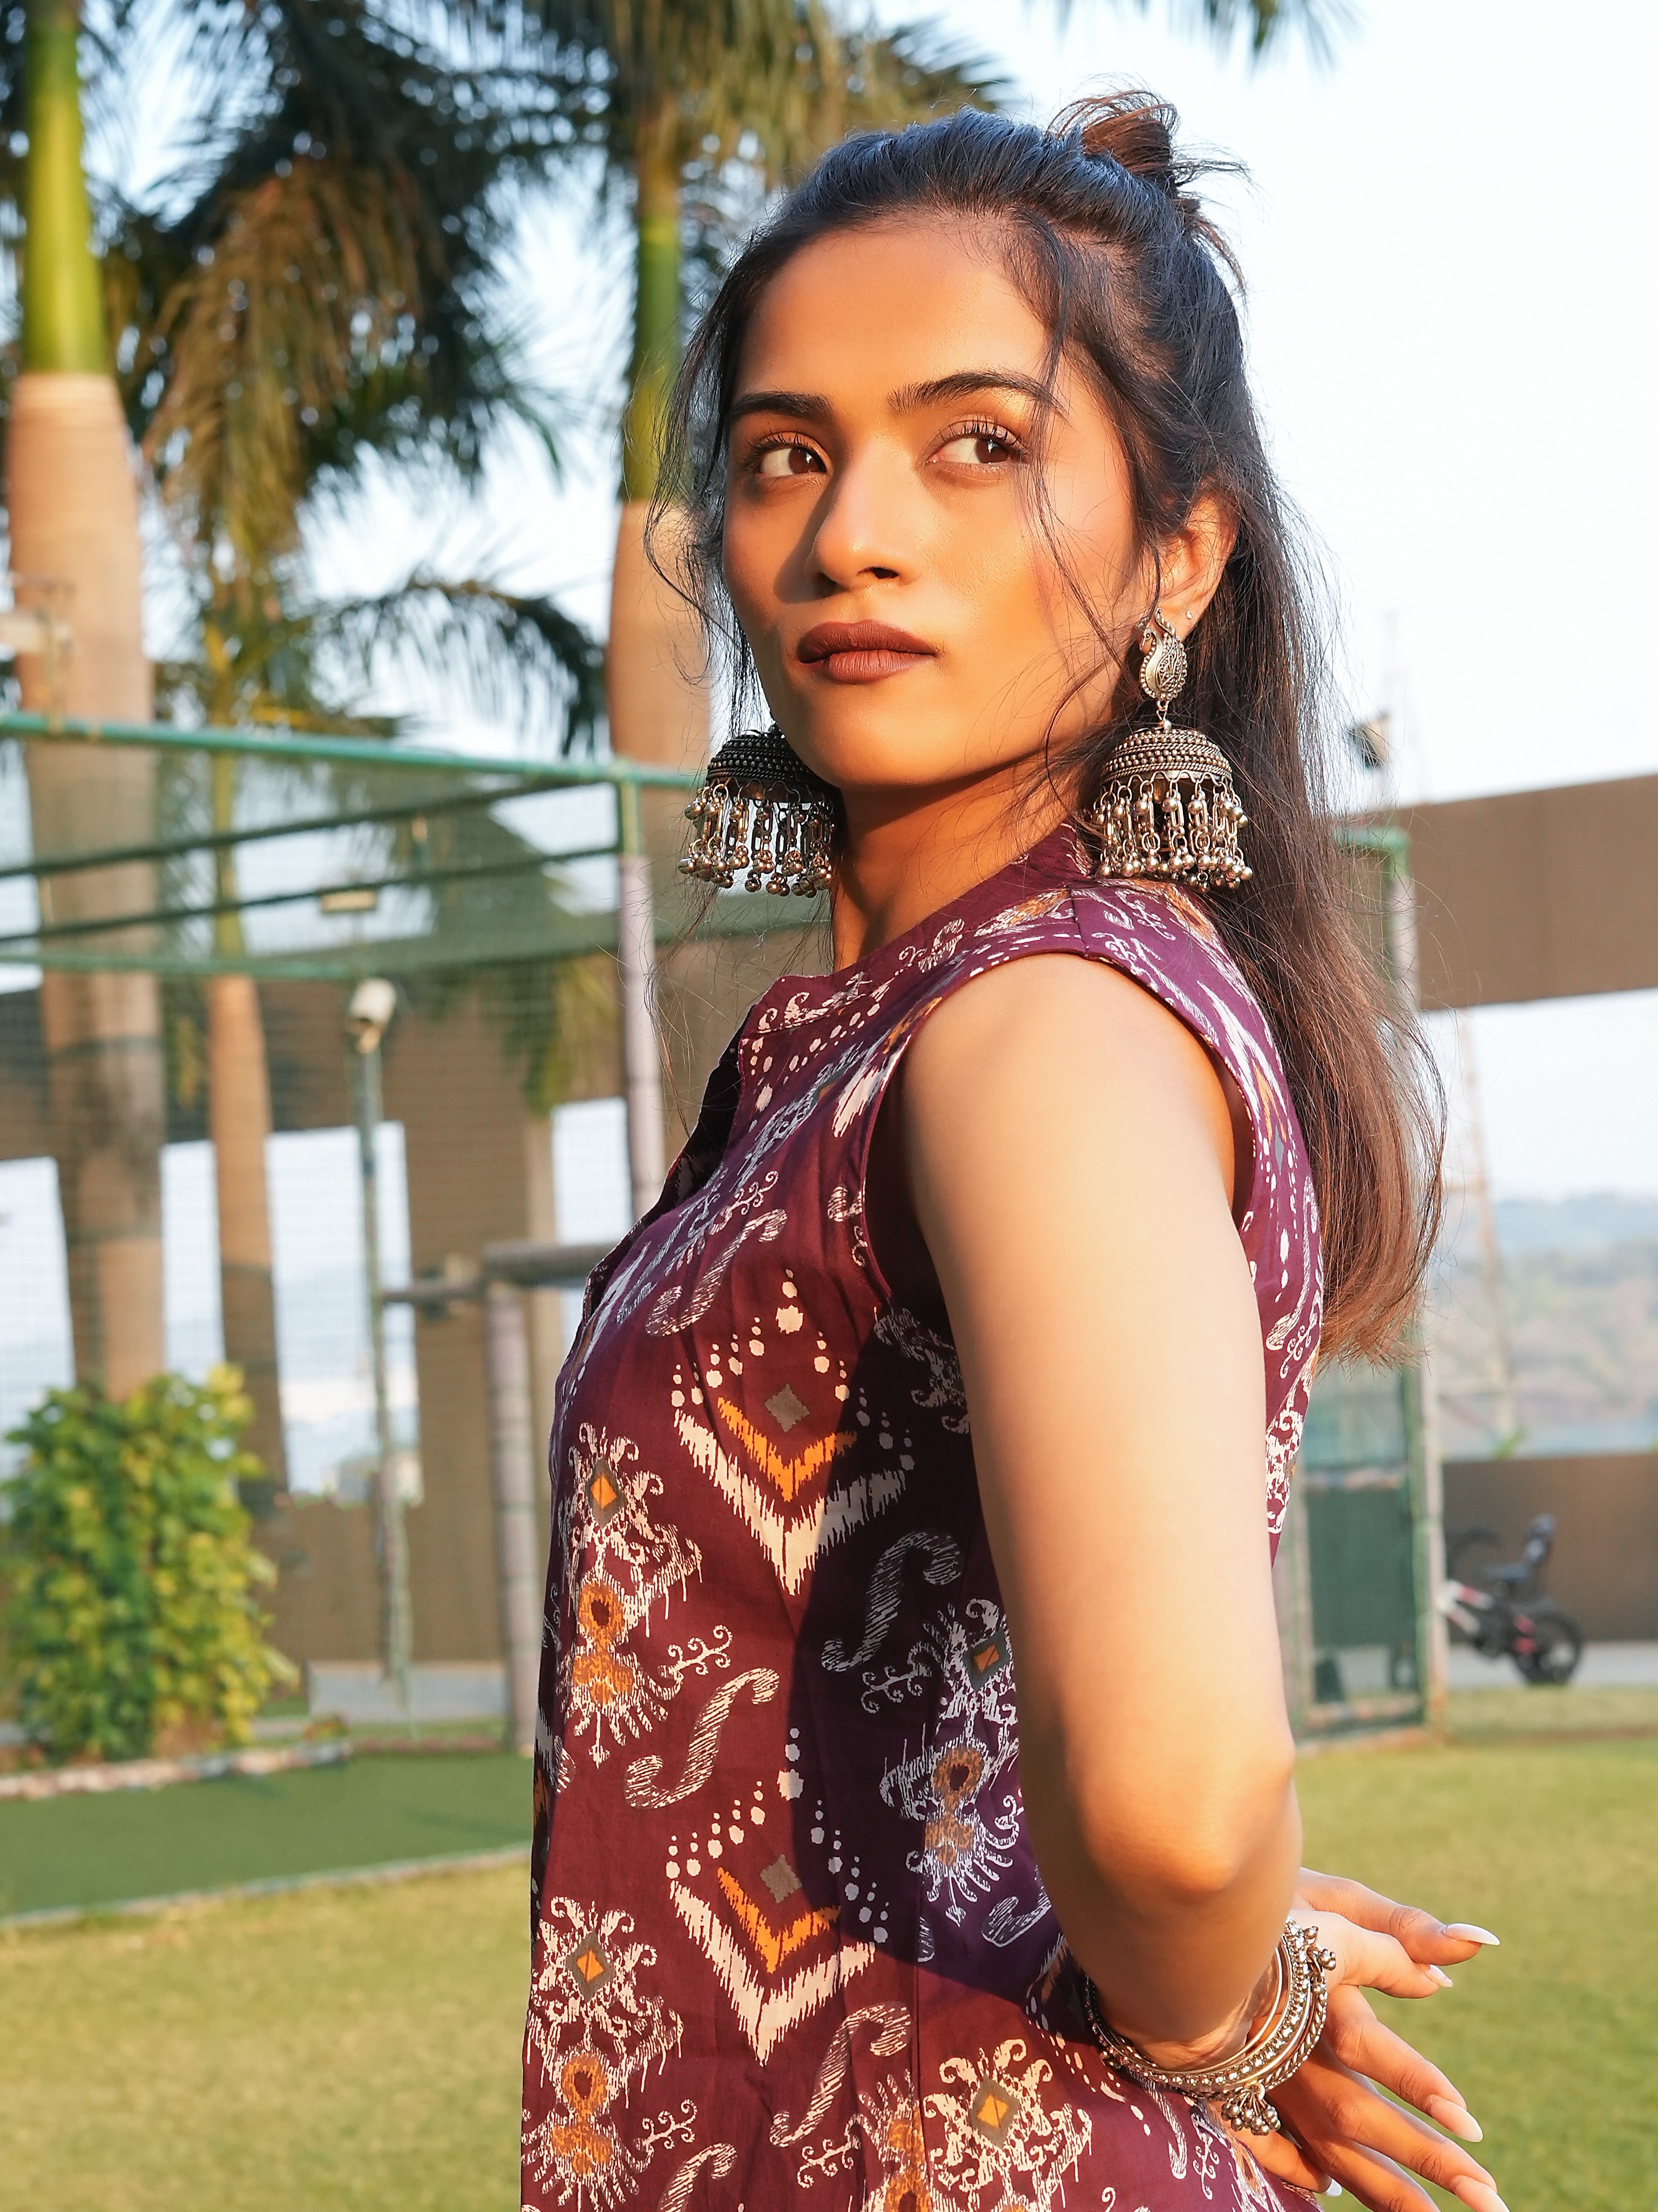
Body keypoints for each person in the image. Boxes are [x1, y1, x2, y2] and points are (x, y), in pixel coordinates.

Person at [523, 93, 1507, 2212]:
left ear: (1182, 552)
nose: (853, 533)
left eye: (978, 442)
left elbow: (1170, 1807)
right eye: (786, 454)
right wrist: (1193, 1955)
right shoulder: (915, 1030)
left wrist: (1229, 2009)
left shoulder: (1042, 1024)